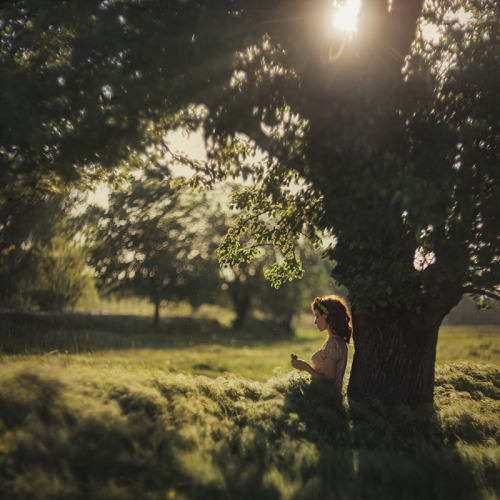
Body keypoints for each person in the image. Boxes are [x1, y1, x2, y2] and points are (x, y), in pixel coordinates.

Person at [291, 295, 352, 392]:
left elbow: (329, 383)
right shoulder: (334, 341)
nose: (315, 322)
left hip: (325, 400)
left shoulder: (334, 344)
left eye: (317, 316)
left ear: (329, 317)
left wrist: (305, 367)